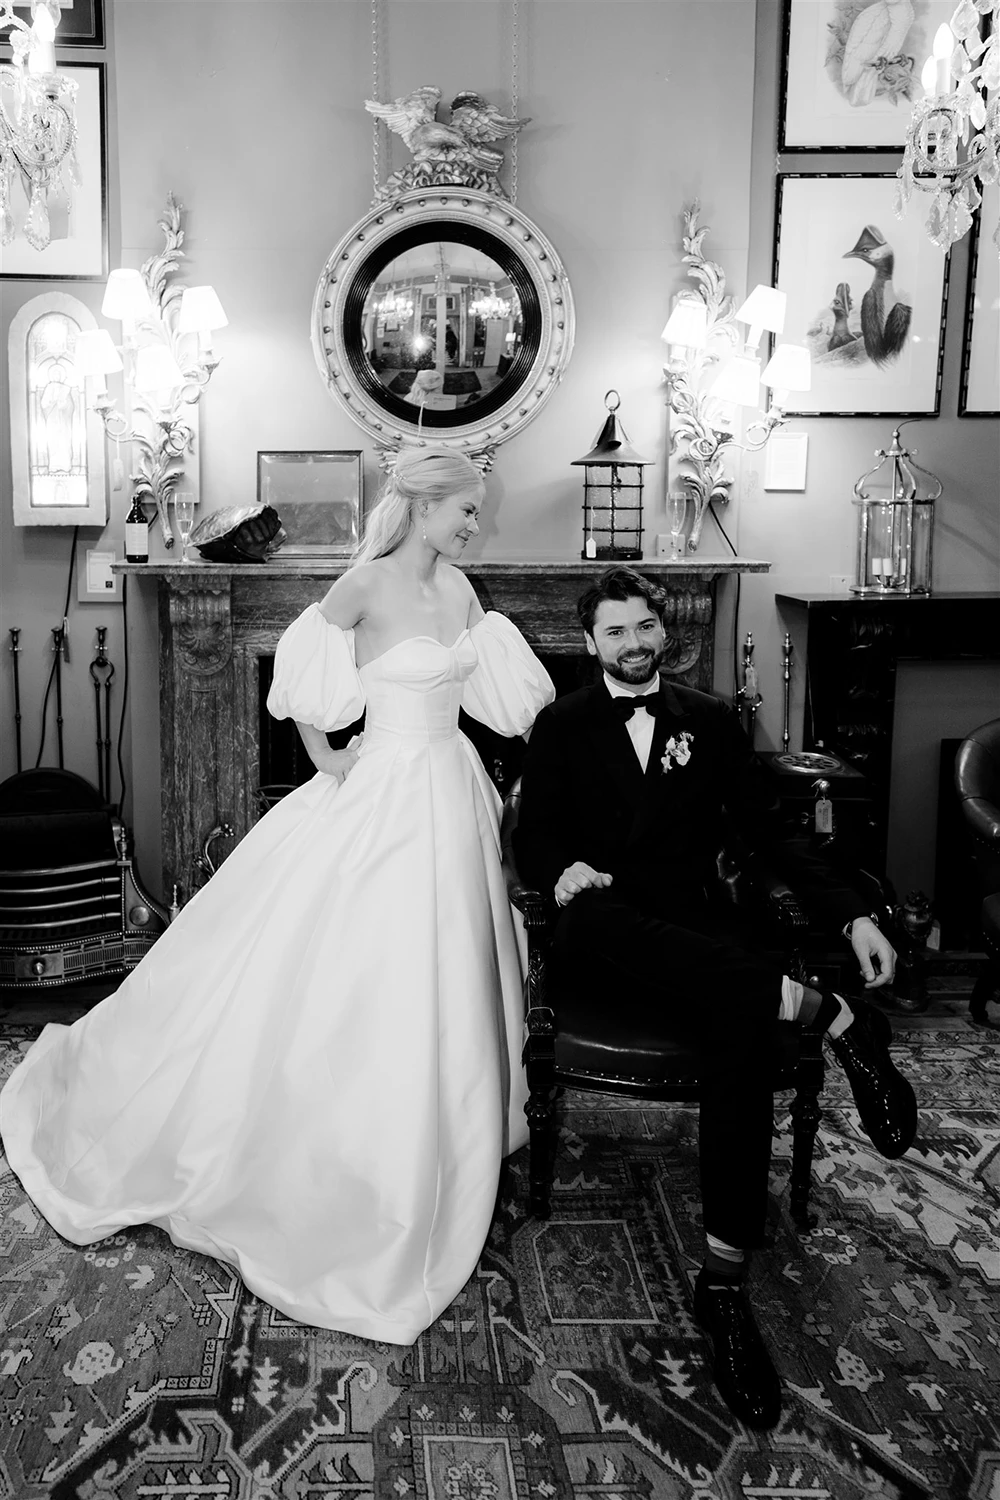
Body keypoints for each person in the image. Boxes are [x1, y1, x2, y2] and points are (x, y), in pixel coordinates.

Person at [0, 446, 554, 1346]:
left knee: (452, 970)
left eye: (476, 514)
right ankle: (347, 1152)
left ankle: (443, 1137)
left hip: (453, 795)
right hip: (382, 798)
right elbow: (301, 668)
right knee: (357, 976)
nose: (473, 526)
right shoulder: (365, 586)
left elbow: (497, 699)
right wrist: (329, 752)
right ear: (422, 504)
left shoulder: (460, 593)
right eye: (465, 511)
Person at [511, 565, 917, 1431]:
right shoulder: (559, 725)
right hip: (608, 930)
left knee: (739, 1021)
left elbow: (775, 831)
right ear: (591, 645)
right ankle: (834, 1016)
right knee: (602, 920)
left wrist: (852, 921)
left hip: (699, 935)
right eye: (615, 632)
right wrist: (558, 869)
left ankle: (723, 1284)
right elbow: (534, 839)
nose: (634, 643)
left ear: (666, 632)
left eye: (645, 626)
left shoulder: (711, 722)